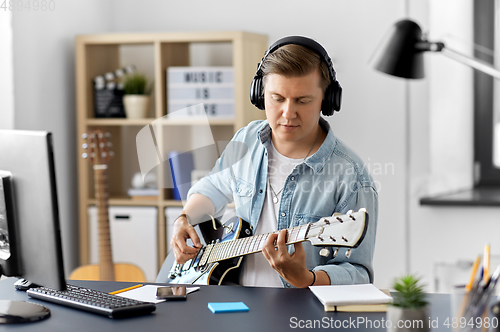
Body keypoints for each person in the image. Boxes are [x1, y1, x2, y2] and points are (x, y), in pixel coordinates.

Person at [168, 36, 378, 288]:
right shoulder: (246, 139)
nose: (288, 113)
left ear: (327, 99)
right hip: (235, 307)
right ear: (259, 95)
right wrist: (184, 219)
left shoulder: (351, 176)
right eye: (277, 98)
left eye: (303, 100)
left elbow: (358, 273)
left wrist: (306, 279)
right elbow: (212, 187)